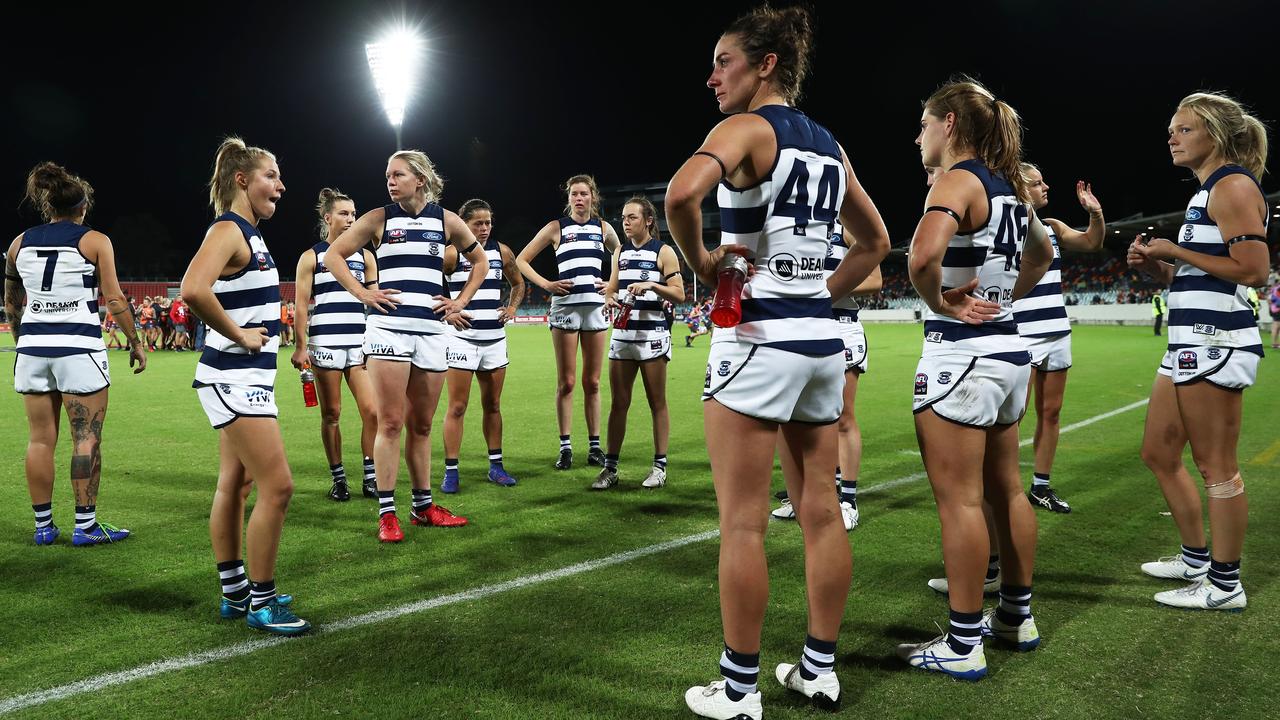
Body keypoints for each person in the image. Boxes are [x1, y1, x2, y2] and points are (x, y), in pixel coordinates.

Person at [665, 6, 890, 717]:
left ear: (766, 64)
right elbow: (876, 243)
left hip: (756, 342)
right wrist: (813, 293)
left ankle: (737, 690)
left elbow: (679, 195)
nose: (711, 77)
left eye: (723, 61)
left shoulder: (742, 129)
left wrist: (703, 262)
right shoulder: (831, 147)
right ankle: (818, 669)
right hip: (821, 343)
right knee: (822, 512)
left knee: (744, 524)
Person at [895, 78, 1053, 680]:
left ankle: (963, 643)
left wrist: (941, 303)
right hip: (1010, 355)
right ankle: (1016, 616)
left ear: (949, 126)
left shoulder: (956, 180)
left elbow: (920, 257)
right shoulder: (1011, 188)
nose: (919, 136)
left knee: (960, 498)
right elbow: (1039, 256)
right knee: (1006, 490)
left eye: (925, 124)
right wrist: (1001, 299)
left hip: (962, 358)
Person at [1127, 92, 1269, 611]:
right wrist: (1158, 268)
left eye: (1184, 129)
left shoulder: (1230, 186)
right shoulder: (1207, 191)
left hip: (1215, 343)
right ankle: (1194, 557)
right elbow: (1206, 268)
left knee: (1217, 466)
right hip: (1189, 342)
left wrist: (1172, 249)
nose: (1172, 137)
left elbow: (1254, 270)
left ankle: (1225, 585)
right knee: (1158, 452)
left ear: (1215, 134)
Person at [324, 150, 487, 542]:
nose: (390, 182)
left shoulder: (446, 220)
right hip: (388, 331)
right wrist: (362, 291)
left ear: (421, 178)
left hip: (431, 333)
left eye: (397, 175)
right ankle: (386, 513)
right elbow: (333, 255)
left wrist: (460, 301)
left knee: (423, 424)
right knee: (391, 422)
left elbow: (479, 262)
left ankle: (423, 507)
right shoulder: (379, 218)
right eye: (387, 176)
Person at [180, 137, 309, 635]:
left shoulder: (250, 233)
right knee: (279, 486)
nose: (280, 185)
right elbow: (193, 288)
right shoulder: (229, 230)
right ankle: (263, 600)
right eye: (270, 176)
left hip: (241, 378)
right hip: (233, 379)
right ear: (242, 180)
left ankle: (235, 594)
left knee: (236, 484)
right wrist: (239, 334)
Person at [5, 161, 146, 547]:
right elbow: (114, 298)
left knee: (39, 440)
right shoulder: (94, 240)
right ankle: (85, 526)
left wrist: (23, 342)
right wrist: (135, 342)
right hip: (79, 348)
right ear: (83, 206)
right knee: (85, 438)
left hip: (33, 349)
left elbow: (12, 304)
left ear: (48, 205)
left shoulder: (19, 242)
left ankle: (43, 527)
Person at [771, 223, 881, 530]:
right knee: (795, 416)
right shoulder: (799, 223)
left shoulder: (847, 226)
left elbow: (874, 279)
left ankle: (848, 500)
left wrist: (822, 288)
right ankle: (803, 495)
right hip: (800, 324)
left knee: (843, 418)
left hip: (841, 325)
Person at [1013, 164, 1107, 514]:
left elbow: (1092, 242)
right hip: (1023, 333)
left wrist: (1095, 213)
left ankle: (1040, 487)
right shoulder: (1009, 226)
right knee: (1014, 416)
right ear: (1021, 190)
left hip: (1056, 332)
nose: (1046, 186)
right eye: (1037, 183)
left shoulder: (1052, 227)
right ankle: (1001, 487)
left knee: (1051, 413)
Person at [515, 175, 621, 470]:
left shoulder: (604, 228)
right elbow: (522, 260)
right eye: (574, 193)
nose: (579, 198)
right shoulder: (556, 228)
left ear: (592, 197)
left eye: (584, 194)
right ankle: (565, 447)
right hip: (565, 308)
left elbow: (620, 254)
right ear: (569, 198)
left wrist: (612, 285)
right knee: (567, 382)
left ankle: (595, 447)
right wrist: (547, 284)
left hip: (595, 308)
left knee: (594, 382)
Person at [291, 188, 380, 502]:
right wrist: (301, 347)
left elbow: (375, 302)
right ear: (327, 217)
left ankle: (370, 478)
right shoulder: (311, 257)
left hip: (359, 344)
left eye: (354, 214)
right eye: (344, 214)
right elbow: (301, 307)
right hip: (325, 343)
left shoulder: (366, 256)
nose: (351, 219)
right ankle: (339, 480)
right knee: (331, 414)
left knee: (372, 413)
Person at [593, 196, 685, 490]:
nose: (626, 222)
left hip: (652, 337)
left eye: (632, 217)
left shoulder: (664, 251)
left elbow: (679, 294)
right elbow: (611, 290)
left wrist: (651, 285)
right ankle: (610, 469)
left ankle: (659, 467)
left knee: (656, 402)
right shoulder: (618, 252)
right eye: (623, 218)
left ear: (648, 220)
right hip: (622, 336)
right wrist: (610, 299)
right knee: (619, 404)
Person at [440, 199, 525, 493]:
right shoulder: (451, 254)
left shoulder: (502, 252)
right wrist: (448, 312)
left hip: (495, 341)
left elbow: (518, 283)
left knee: (493, 405)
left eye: (488, 222)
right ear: (464, 224)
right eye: (478, 223)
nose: (485, 228)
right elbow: (427, 284)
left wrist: (512, 308)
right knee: (458, 407)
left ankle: (496, 467)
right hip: (462, 340)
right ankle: (451, 471)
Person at [1269, 281, 1280, 348]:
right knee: (1276, 326)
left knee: (1275, 326)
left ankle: (1274, 343)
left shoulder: (1274, 288)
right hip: (1278, 308)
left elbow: (1269, 299)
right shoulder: (1278, 288)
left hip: (1274, 309)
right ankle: (1275, 343)